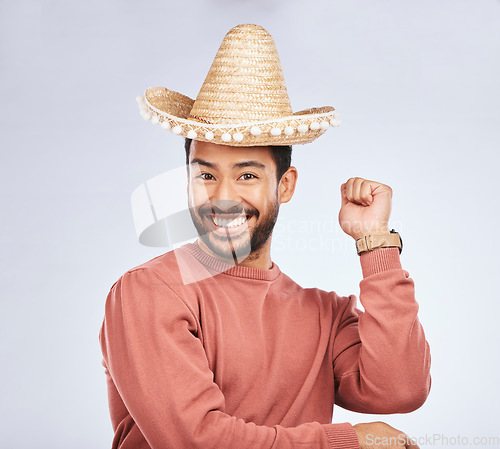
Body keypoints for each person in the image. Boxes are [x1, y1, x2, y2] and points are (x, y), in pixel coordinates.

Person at [99, 24, 430, 449]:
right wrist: (346, 443)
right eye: (205, 174)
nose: (222, 198)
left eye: (248, 175)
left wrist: (376, 243)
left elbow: (401, 388)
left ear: (285, 185)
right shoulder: (148, 292)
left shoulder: (323, 314)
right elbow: (195, 439)